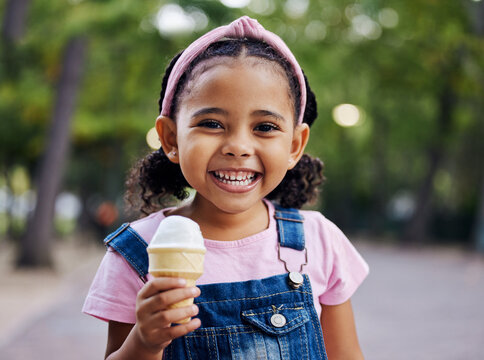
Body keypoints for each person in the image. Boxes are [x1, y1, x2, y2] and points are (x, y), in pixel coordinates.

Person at [83, 16, 369, 360]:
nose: (238, 146)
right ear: (171, 138)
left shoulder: (319, 241)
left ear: (295, 145)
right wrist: (144, 343)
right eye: (212, 123)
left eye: (264, 126)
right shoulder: (139, 253)